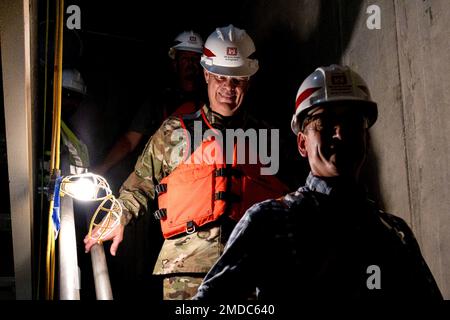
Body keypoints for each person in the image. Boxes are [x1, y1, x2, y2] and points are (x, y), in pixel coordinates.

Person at [193, 64, 443, 300]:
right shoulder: (269, 221)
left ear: (365, 139)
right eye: (324, 122)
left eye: (352, 123)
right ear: (302, 143)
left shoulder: (394, 232)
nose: (340, 134)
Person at [84, 24, 288, 300]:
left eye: (237, 80)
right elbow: (141, 185)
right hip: (187, 270)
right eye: (220, 77)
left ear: (248, 80)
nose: (228, 88)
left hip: (252, 271)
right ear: (207, 74)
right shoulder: (174, 132)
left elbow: (293, 201)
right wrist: (119, 215)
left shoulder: (268, 138)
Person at [93, 30, 206, 176]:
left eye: (195, 59)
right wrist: (103, 167)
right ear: (175, 63)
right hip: (166, 177)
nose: (191, 64)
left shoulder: (212, 101)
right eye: (185, 58)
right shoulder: (159, 100)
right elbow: (130, 140)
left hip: (201, 175)